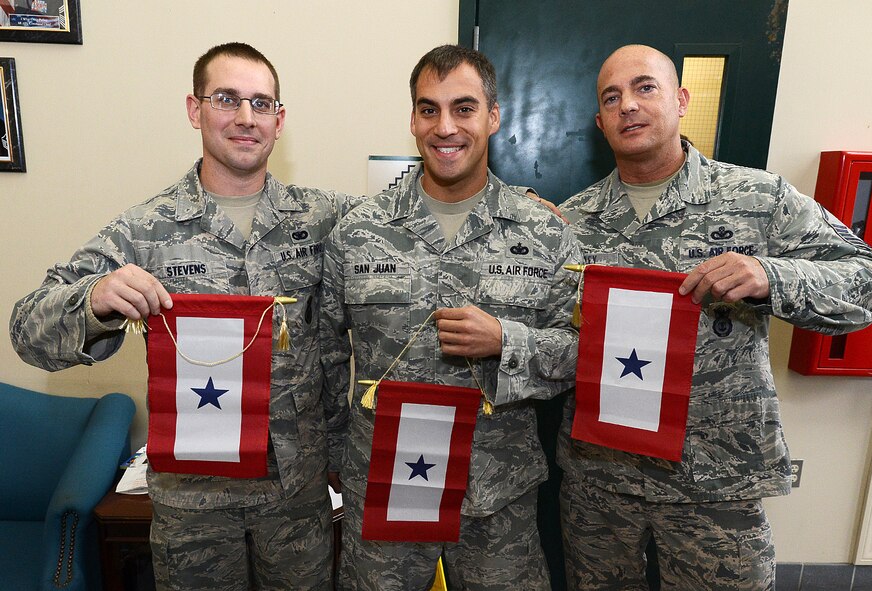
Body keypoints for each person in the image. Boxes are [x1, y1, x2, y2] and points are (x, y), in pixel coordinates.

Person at [9, 42, 351, 590]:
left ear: (279, 120)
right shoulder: (145, 231)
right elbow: (27, 330)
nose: (245, 117)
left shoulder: (325, 218)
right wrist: (96, 298)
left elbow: (409, 221)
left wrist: (527, 213)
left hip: (297, 497)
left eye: (261, 103)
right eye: (227, 99)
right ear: (195, 110)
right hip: (195, 507)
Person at [556, 44, 872, 590]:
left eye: (645, 88)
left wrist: (771, 276)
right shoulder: (572, 221)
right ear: (599, 122)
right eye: (611, 98)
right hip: (601, 483)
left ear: (682, 99)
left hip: (715, 480)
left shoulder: (755, 198)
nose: (628, 107)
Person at [320, 44, 583, 590]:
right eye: (428, 109)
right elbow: (324, 354)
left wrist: (506, 341)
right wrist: (339, 455)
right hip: (386, 484)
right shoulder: (357, 232)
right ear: (412, 119)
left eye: (463, 108)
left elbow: (581, 355)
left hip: (496, 494)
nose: (445, 127)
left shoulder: (544, 232)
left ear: (493, 116)